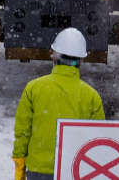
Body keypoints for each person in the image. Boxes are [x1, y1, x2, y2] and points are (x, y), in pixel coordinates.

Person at [12, 28, 105, 180]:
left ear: (53, 56)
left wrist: (19, 166)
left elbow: (22, 132)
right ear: (81, 60)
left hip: (38, 171)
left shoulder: (33, 88)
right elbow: (98, 140)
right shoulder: (92, 97)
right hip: (75, 171)